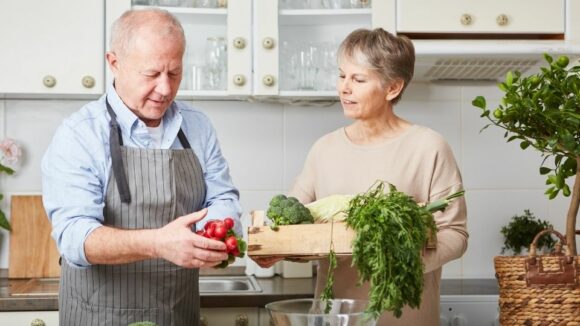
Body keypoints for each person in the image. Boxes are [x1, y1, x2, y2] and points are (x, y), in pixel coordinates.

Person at [41, 9, 242, 326]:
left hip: (179, 315)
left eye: (174, 73)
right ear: (114, 62)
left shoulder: (198, 127)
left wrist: (216, 234)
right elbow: (74, 238)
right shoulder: (79, 134)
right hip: (100, 318)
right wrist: (157, 243)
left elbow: (222, 197)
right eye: (151, 75)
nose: (164, 89)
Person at [258, 28, 468, 325]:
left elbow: (455, 234)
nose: (344, 88)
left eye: (358, 79)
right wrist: (277, 248)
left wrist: (402, 264)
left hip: (406, 317)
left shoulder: (429, 147)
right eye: (342, 76)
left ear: (392, 88)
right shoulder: (324, 149)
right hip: (335, 318)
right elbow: (293, 222)